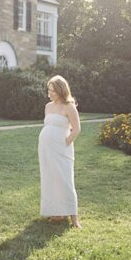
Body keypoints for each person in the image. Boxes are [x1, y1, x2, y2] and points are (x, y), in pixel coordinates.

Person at [38, 75, 81, 228]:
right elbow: (49, 126)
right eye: (49, 90)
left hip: (62, 149)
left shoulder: (69, 106)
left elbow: (76, 130)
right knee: (50, 177)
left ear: (61, 91)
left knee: (65, 180)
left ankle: (74, 219)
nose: (50, 93)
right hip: (46, 148)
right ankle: (57, 212)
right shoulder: (48, 106)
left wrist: (65, 143)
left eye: (53, 91)